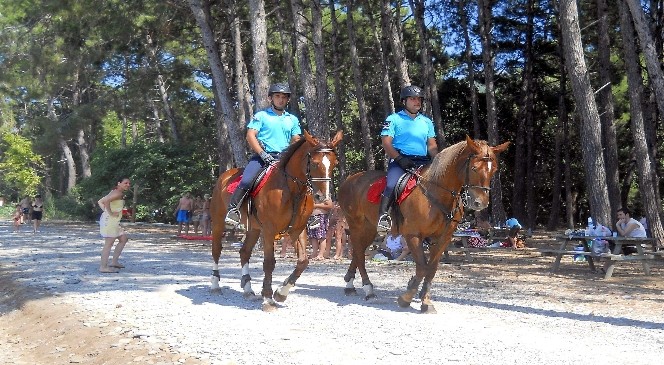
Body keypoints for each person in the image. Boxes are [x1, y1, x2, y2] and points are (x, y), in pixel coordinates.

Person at [225, 83, 302, 227]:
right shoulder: (261, 116)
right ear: (270, 98)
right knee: (247, 179)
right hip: (263, 157)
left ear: (287, 100)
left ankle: (309, 214)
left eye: (284, 97)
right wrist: (262, 153)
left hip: (284, 158)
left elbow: (296, 139)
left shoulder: (292, 119)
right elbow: (250, 135)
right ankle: (233, 210)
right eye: (277, 96)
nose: (280, 100)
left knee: (304, 179)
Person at [377, 85, 438, 232]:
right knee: (392, 184)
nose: (417, 102)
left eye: (419, 99)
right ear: (404, 101)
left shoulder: (426, 121)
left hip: (423, 161)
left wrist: (438, 161)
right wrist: (399, 159)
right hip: (401, 161)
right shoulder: (393, 119)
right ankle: (383, 216)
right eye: (413, 99)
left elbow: (431, 146)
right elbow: (386, 142)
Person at [97, 177, 131, 273]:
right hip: (110, 221)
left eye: (129, 183)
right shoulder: (118, 193)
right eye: (125, 183)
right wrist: (110, 213)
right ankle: (103, 267)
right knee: (109, 243)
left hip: (114, 221)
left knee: (123, 238)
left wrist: (107, 212)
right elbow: (106, 201)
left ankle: (114, 262)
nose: (128, 185)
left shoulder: (115, 192)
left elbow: (100, 201)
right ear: (119, 183)